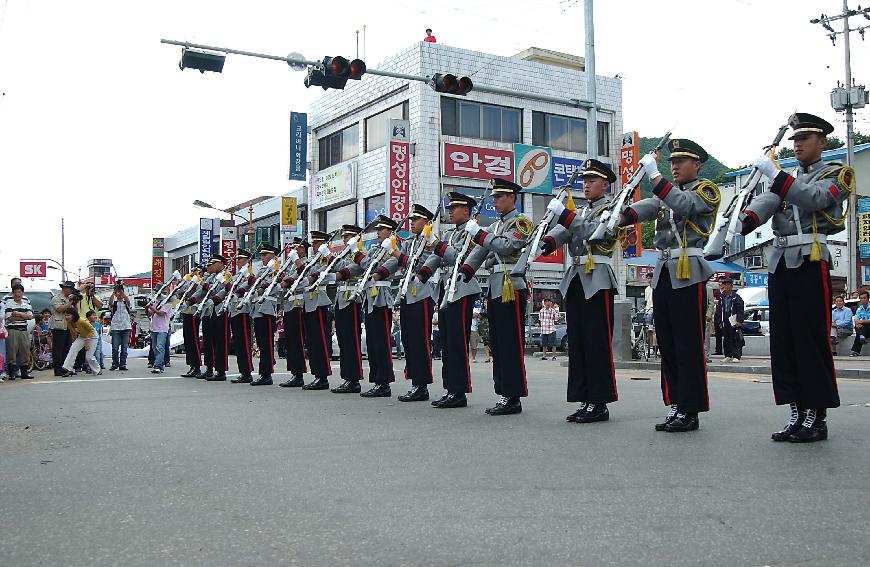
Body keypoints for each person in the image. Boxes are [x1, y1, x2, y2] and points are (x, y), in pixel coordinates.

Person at [739, 112, 853, 443]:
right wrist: (742, 222)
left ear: (822, 142)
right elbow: (768, 201)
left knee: (810, 339)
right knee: (784, 342)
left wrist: (775, 174)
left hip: (809, 259)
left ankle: (816, 414)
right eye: (795, 140)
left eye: (804, 139)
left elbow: (814, 198)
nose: (798, 145)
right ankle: (796, 410)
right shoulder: (786, 178)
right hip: (779, 263)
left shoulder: (837, 174)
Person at [619, 138, 720, 432]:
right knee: (669, 345)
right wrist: (619, 214)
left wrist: (655, 176)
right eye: (672, 162)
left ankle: (691, 408)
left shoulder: (706, 190)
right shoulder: (665, 195)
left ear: (697, 165)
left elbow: (684, 205)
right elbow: (645, 208)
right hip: (664, 271)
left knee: (688, 345)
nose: (674, 166)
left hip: (689, 272)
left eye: (681, 161)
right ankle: (675, 403)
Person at [540, 158, 620, 423]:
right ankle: (585, 399)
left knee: (596, 343)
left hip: (597, 278)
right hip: (575, 278)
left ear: (605, 184)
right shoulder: (582, 211)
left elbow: (591, 233)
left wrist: (564, 215)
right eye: (584, 181)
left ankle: (599, 402)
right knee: (578, 344)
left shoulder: (611, 209)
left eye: (592, 181)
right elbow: (565, 231)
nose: (586, 185)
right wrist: (546, 240)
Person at [460, 179, 531, 415]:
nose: (495, 201)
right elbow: (480, 251)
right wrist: (466, 271)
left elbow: (508, 246)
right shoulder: (495, 227)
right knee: (498, 343)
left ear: (512, 197)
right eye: (494, 196)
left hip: (512, 286)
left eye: (499, 196)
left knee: (511, 343)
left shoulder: (520, 223)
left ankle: (514, 395)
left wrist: (479, 234)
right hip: (496, 287)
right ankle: (503, 393)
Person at [417, 192, 483, 408]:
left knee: (457, 342)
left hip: (462, 288)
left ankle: (459, 390)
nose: (450, 211)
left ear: (467, 210)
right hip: (447, 288)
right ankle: (450, 389)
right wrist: (423, 273)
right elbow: (437, 257)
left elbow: (460, 257)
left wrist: (437, 245)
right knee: (447, 341)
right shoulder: (449, 234)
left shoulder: (471, 232)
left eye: (455, 208)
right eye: (450, 208)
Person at [334, 215, 398, 397]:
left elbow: (372, 266)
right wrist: (337, 272)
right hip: (369, 298)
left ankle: (384, 382)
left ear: (390, 232)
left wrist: (357, 254)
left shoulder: (392, 250)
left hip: (381, 298)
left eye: (382, 229)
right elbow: (361, 266)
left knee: (381, 342)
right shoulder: (373, 249)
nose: (378, 232)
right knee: (371, 342)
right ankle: (377, 380)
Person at [383, 204, 437, 401]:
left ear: (427, 222)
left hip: (421, 294)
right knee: (408, 340)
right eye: (411, 219)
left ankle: (422, 384)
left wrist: (396, 253)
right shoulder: (410, 242)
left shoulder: (430, 242)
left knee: (420, 341)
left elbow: (420, 265)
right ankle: (415, 382)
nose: (412, 223)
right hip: (407, 293)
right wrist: (379, 272)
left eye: (416, 219)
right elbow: (396, 262)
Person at [321, 225, 366, 394]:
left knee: (351, 340)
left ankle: (354, 379)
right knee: (343, 340)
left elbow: (347, 270)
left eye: (348, 236)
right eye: (345, 236)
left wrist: (330, 257)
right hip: (341, 299)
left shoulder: (361, 255)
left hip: (353, 299)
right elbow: (337, 266)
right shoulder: (345, 255)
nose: (345, 239)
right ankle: (347, 377)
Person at [278, 237, 310, 388]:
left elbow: (303, 274)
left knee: (297, 340)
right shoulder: (291, 264)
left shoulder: (306, 261)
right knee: (291, 340)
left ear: (303, 249)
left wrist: (287, 280)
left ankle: (299, 374)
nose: (293, 250)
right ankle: (294, 372)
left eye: (296, 247)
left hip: (298, 303)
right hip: (289, 303)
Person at [251, 243, 283, 386]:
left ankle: (267, 373)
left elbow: (275, 286)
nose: (262, 258)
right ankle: (264, 372)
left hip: (268, 309)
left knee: (266, 343)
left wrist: (260, 288)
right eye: (262, 255)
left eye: (265, 255)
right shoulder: (261, 271)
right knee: (261, 343)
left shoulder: (276, 270)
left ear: (273, 255)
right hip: (258, 309)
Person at [200, 255, 232, 381]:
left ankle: (221, 370)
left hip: (221, 310)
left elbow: (224, 290)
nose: (210, 266)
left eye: (213, 263)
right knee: (209, 341)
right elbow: (204, 291)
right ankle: (209, 367)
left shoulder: (226, 275)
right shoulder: (212, 277)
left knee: (220, 341)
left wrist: (209, 290)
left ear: (221, 263)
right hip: (210, 310)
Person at [227, 250, 257, 384]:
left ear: (247, 261)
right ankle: (243, 371)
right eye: (238, 259)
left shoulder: (249, 275)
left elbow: (241, 289)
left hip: (243, 310)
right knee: (239, 343)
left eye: (241, 259)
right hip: (234, 310)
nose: (238, 261)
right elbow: (230, 288)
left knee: (245, 342)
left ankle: (247, 372)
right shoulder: (236, 276)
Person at [175, 265, 205, 378]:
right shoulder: (190, 281)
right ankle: (191, 365)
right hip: (186, 312)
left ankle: (196, 366)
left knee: (193, 339)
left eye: (195, 270)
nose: (192, 272)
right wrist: (180, 280)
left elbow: (196, 294)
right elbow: (180, 291)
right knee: (187, 339)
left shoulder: (199, 283)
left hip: (194, 312)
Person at [4, 283, 33, 380]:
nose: (17, 294)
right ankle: (12, 373)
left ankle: (24, 373)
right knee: (12, 351)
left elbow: (30, 316)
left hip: (23, 330)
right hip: (13, 330)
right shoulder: (9, 303)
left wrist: (18, 313)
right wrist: (22, 315)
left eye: (19, 292)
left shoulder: (26, 303)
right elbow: (9, 318)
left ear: (22, 293)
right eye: (15, 292)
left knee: (24, 351)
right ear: (12, 293)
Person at [60, 307, 101, 377]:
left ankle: (97, 370)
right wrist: (74, 342)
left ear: (73, 315)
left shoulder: (81, 321)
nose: (66, 317)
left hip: (92, 336)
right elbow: (72, 333)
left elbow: (92, 330)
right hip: (82, 336)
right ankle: (69, 369)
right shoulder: (69, 322)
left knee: (89, 356)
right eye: (65, 315)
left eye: (68, 315)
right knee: (73, 349)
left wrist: (87, 343)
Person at [50, 281, 78, 376]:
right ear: (65, 289)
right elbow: (60, 309)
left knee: (67, 348)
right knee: (58, 349)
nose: (71, 292)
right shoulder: (56, 298)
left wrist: (75, 303)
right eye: (70, 289)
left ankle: (66, 368)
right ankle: (57, 369)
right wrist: (70, 302)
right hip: (58, 326)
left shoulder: (70, 299)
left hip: (68, 326)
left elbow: (75, 313)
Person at [715, 278, 744, 362]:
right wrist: (720, 321)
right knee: (726, 338)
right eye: (725, 284)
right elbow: (719, 310)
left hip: (733, 319)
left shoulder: (736, 297)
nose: (726, 286)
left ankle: (736, 356)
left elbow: (740, 309)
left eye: (728, 284)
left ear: (731, 286)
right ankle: (727, 355)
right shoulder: (721, 297)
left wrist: (739, 320)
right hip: (725, 320)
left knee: (734, 338)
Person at [108, 282, 133, 371]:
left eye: (120, 292)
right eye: (117, 292)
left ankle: (123, 364)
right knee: (115, 347)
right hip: (115, 327)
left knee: (124, 347)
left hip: (126, 327)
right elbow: (109, 303)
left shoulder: (126, 303)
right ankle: (115, 364)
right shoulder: (114, 304)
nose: (119, 294)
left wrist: (122, 293)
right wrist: (113, 292)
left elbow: (128, 302)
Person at [146, 299, 172, 374]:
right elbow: (149, 314)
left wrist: (152, 308)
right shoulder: (154, 302)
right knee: (154, 348)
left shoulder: (167, 303)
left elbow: (161, 313)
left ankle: (157, 366)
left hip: (162, 329)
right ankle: (160, 365)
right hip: (153, 328)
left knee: (160, 347)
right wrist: (147, 307)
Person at [850, 291, 870, 356]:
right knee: (858, 326)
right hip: (864, 330)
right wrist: (858, 323)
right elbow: (856, 320)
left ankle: (856, 351)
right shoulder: (859, 309)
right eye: (861, 298)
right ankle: (862, 336)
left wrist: (861, 321)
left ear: (868, 299)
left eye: (864, 298)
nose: (862, 300)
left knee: (861, 328)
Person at [478, 298, 491, 363]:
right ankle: (487, 357)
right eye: (484, 301)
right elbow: (480, 317)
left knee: (490, 341)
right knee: (485, 342)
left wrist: (487, 308)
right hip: (483, 327)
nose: (485, 302)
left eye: (486, 300)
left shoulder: (491, 308)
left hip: (489, 326)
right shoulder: (481, 308)